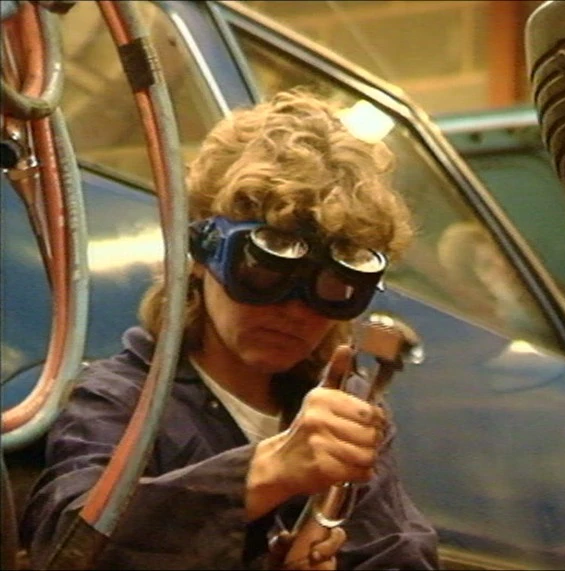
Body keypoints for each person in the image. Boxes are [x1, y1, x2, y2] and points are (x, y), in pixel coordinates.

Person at [19, 89, 439, 570]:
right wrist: (265, 473)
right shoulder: (120, 401)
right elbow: (68, 548)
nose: (294, 310)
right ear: (201, 253)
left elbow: (396, 551)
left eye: (331, 285)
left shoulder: (344, 409)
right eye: (264, 272)